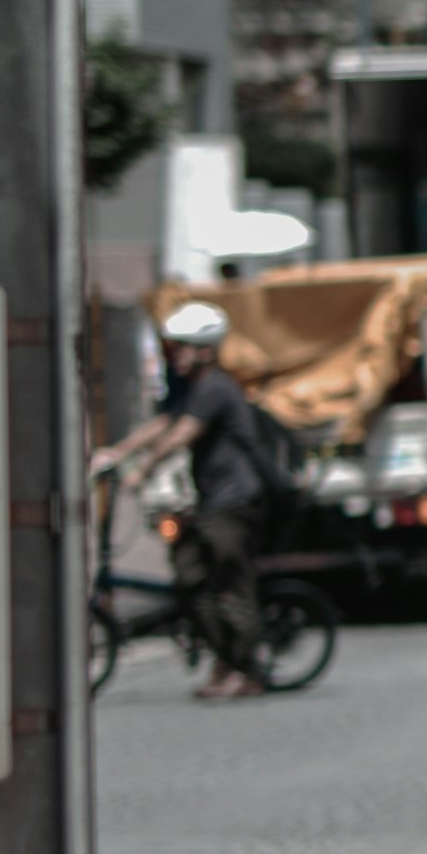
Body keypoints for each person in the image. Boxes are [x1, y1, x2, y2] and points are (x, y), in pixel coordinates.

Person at [94, 297, 277, 702]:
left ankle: (247, 670)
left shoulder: (215, 388)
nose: (173, 355)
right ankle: (223, 660)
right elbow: (162, 423)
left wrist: (143, 470)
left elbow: (182, 434)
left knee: (230, 585)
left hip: (235, 500)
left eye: (182, 348)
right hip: (210, 500)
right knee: (189, 575)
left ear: (206, 351)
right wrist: (116, 453)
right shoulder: (190, 388)